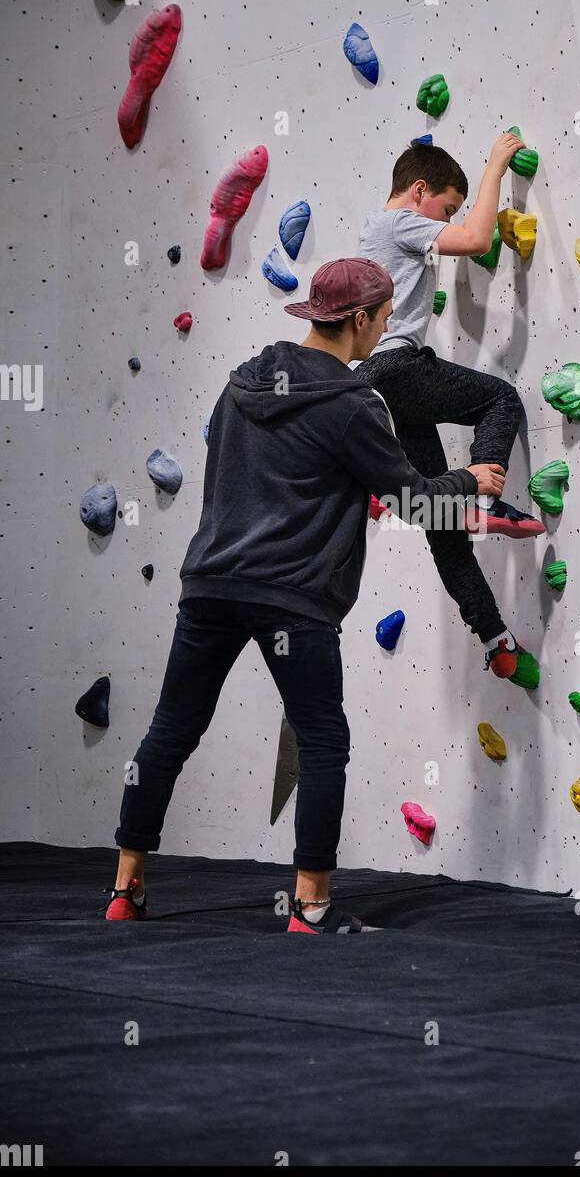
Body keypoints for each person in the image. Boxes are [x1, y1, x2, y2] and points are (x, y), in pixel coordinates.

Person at [105, 258, 504, 934]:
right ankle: (310, 906)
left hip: (210, 582)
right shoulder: (352, 406)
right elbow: (412, 500)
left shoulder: (241, 383)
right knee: (323, 742)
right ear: (358, 320)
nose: (384, 332)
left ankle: (124, 889)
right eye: (382, 319)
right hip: (293, 597)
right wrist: (470, 478)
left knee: (170, 731)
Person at [354, 135, 543, 682]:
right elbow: (478, 237)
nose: (449, 220)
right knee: (500, 398)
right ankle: (487, 493)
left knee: (441, 522)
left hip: (378, 391)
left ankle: (497, 640)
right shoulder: (396, 224)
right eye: (446, 207)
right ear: (418, 192)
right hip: (398, 370)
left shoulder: (375, 237)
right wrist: (494, 168)